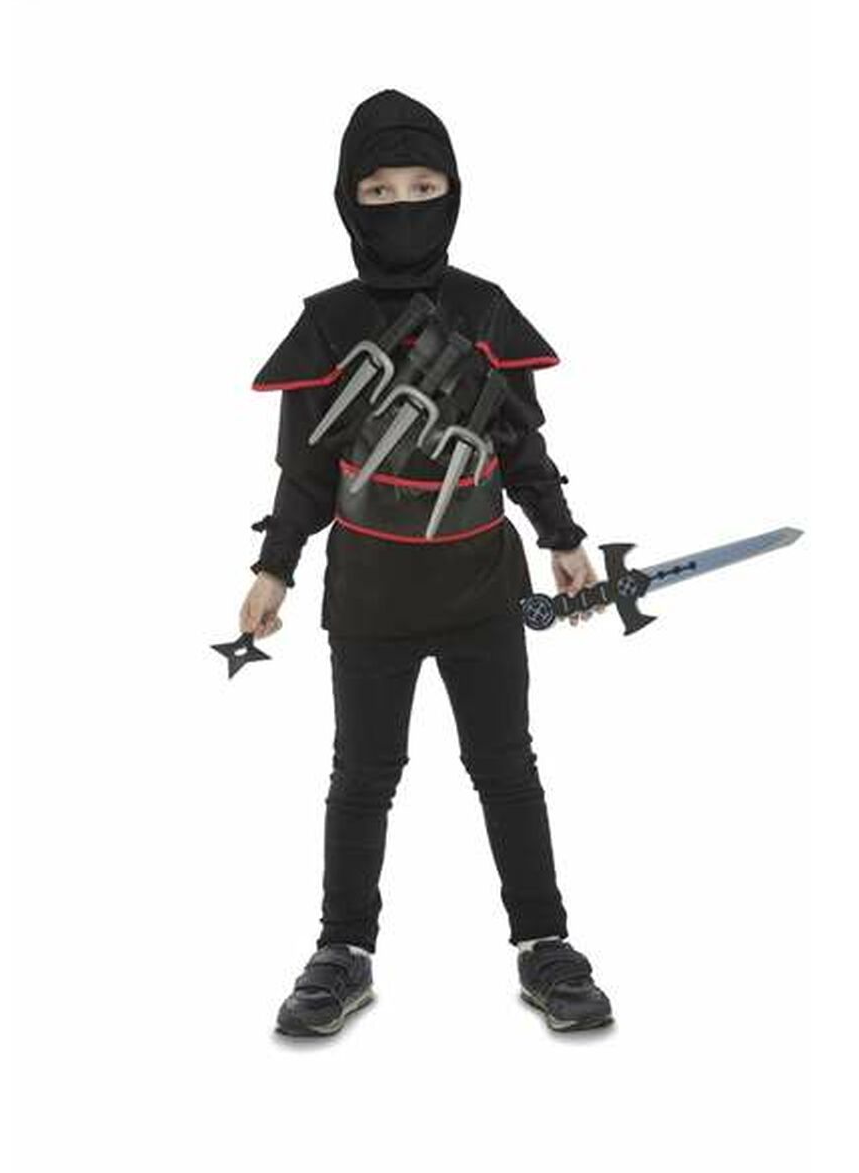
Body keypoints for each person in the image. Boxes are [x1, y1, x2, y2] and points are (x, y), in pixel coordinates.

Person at [240, 89, 614, 1035]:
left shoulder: (482, 310)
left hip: (482, 586)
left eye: (421, 185)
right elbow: (305, 470)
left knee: (506, 767)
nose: (401, 204)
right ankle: (342, 951)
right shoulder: (328, 326)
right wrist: (275, 568)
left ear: (452, 191)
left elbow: (519, 445)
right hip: (370, 596)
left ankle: (546, 944)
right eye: (378, 189)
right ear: (348, 199)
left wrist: (562, 538)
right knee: (363, 775)